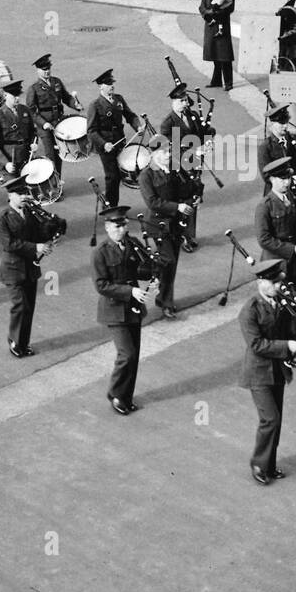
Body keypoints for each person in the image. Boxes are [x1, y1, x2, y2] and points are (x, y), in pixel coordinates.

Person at [239, 258, 296, 485]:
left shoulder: (280, 303)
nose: (279, 286)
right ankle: (258, 463)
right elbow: (256, 345)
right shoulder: (250, 311)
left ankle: (270, 465)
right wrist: (287, 346)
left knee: (277, 419)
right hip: (258, 373)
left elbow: (289, 328)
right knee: (270, 419)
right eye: (274, 283)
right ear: (262, 283)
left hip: (277, 370)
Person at [0, 176, 65, 358]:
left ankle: (23, 343)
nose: (24, 196)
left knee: (29, 307)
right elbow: (10, 244)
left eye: (25, 192)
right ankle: (15, 341)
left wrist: (51, 229)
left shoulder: (31, 214)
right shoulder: (1, 219)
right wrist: (36, 247)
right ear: (10, 196)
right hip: (13, 270)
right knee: (20, 306)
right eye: (20, 193)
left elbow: (38, 233)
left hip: (30, 268)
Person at [92, 205, 151, 414]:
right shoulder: (101, 252)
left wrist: (154, 278)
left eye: (123, 226)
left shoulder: (132, 244)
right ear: (107, 228)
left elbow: (145, 267)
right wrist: (130, 291)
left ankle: (126, 396)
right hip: (114, 309)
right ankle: (116, 394)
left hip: (133, 307)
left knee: (134, 355)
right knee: (127, 354)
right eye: (116, 227)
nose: (121, 230)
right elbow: (101, 285)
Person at [138, 137, 192, 319]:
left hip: (175, 223)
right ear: (153, 153)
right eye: (163, 152)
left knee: (172, 263)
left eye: (169, 151)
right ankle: (160, 287)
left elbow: (185, 189)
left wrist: (193, 197)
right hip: (158, 224)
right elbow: (152, 202)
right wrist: (177, 207)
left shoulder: (174, 169)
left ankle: (164, 297)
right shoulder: (146, 175)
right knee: (168, 261)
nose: (168, 155)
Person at [158, 83, 213, 251]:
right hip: (180, 168)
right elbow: (173, 148)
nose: (185, 103)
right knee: (182, 201)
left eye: (186, 100)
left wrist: (208, 141)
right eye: (182, 101)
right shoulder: (168, 124)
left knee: (194, 198)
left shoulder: (192, 115)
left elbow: (205, 131)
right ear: (173, 102)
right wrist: (194, 149)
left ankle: (189, 234)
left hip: (195, 164)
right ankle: (181, 236)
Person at [86, 68, 142, 208]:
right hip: (106, 147)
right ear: (101, 86)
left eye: (112, 83)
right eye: (108, 83)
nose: (112, 86)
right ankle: (111, 207)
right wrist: (104, 144)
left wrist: (138, 126)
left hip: (120, 141)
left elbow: (130, 115)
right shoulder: (95, 105)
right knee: (112, 177)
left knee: (127, 170)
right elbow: (91, 131)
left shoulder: (119, 99)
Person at [255, 157, 296, 298]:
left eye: (288, 178)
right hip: (275, 265)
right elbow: (263, 239)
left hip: (295, 264)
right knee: (280, 306)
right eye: (281, 179)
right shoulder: (265, 205)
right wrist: (292, 249)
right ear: (272, 179)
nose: (287, 182)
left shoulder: (293, 198)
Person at [26, 53, 81, 186]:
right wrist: (43, 123)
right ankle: (52, 186)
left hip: (59, 123)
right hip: (45, 127)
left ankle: (57, 182)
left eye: (48, 68)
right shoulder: (34, 88)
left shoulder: (56, 82)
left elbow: (66, 98)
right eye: (44, 69)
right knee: (50, 156)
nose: (47, 72)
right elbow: (31, 111)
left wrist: (75, 105)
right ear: (38, 70)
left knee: (60, 154)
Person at [256, 104, 296, 196]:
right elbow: (266, 176)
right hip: (277, 194)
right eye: (281, 123)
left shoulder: (293, 138)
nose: (285, 126)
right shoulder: (265, 147)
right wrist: (291, 180)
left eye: (286, 122)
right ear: (272, 124)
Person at [0, 79, 36, 180]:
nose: (17, 98)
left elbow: (32, 132)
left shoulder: (24, 110)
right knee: (17, 191)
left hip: (26, 158)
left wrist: (34, 143)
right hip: (10, 162)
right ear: (5, 95)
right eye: (14, 96)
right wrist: (6, 163)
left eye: (18, 95)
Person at [199, 0, 235, 91]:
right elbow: (201, 7)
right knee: (215, 55)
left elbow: (230, 8)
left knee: (225, 56)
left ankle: (228, 82)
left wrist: (215, 13)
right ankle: (217, 80)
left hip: (222, 25)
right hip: (210, 26)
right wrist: (207, 15)